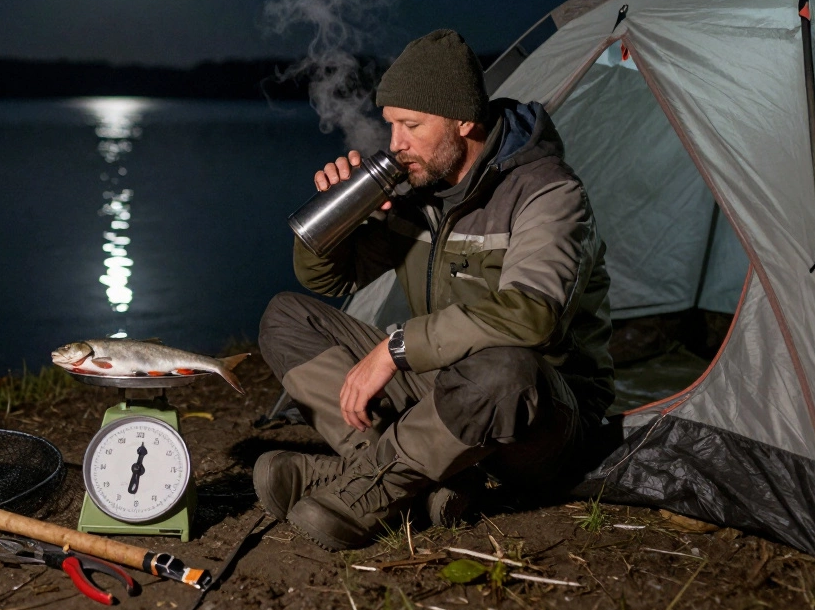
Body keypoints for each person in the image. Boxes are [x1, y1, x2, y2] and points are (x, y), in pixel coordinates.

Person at [255, 29, 615, 550]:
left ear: (463, 121)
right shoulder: (420, 191)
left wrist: (397, 347)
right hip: (447, 391)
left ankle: (372, 486)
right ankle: (398, 477)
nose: (395, 143)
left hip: (540, 415)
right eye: (391, 125)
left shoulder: (548, 191)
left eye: (412, 125)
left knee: (502, 367)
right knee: (286, 316)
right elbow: (331, 280)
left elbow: (535, 315)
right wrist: (336, 215)